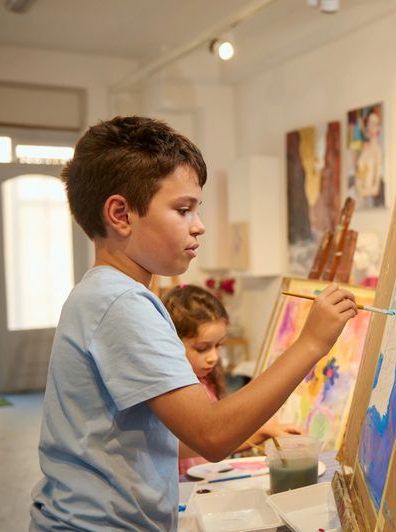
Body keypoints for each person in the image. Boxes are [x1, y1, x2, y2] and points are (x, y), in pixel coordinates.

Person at [30, 116, 357, 531]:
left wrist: (250, 433)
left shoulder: (105, 293)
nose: (199, 225)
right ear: (120, 214)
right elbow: (211, 435)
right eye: (183, 209)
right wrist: (311, 343)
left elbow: (157, 434)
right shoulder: (122, 303)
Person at [161, 284, 302, 476]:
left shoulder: (207, 381)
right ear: (171, 342)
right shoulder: (173, 394)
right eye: (203, 348)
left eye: (219, 345)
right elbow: (206, 443)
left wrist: (264, 430)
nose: (213, 357)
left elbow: (220, 441)